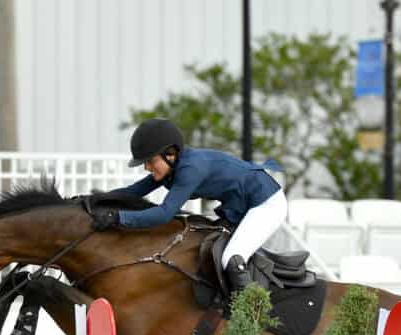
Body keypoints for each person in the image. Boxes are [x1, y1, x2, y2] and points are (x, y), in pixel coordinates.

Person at [93, 118, 287, 293]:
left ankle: (254, 316)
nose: (146, 167)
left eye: (150, 161)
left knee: (232, 258)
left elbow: (164, 214)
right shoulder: (173, 166)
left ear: (170, 153)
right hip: (245, 206)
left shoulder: (190, 169)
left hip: (267, 204)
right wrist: (92, 200)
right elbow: (134, 191)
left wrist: (118, 217)